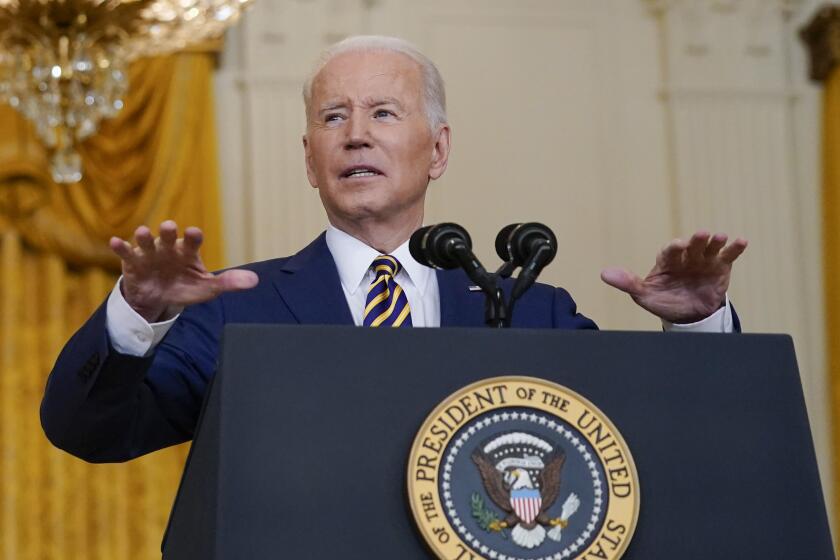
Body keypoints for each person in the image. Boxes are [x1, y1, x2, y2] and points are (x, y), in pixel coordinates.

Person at [40, 36, 746, 463]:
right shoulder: (233, 311)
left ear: (436, 149)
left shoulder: (531, 310)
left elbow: (657, 447)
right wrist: (137, 314)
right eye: (333, 117)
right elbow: (89, 432)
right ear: (311, 158)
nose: (356, 135)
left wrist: (697, 327)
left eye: (383, 113)